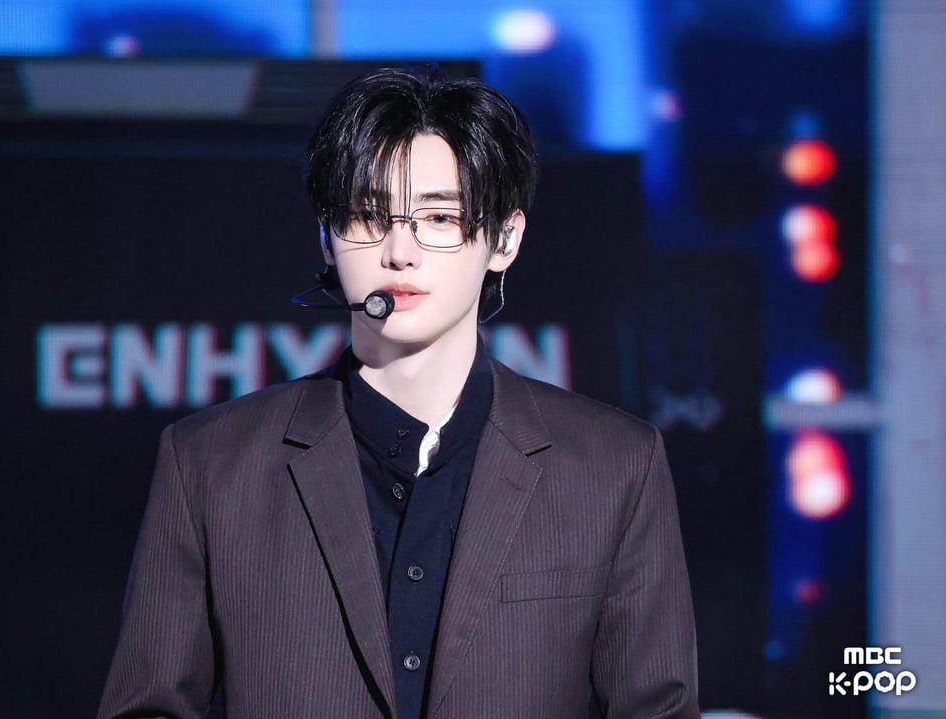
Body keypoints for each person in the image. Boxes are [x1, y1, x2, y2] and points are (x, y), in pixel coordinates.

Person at [98, 66, 699, 719]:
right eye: (367, 215)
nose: (399, 251)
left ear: (504, 238)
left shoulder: (614, 467)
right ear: (325, 237)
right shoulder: (211, 464)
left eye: (439, 217)